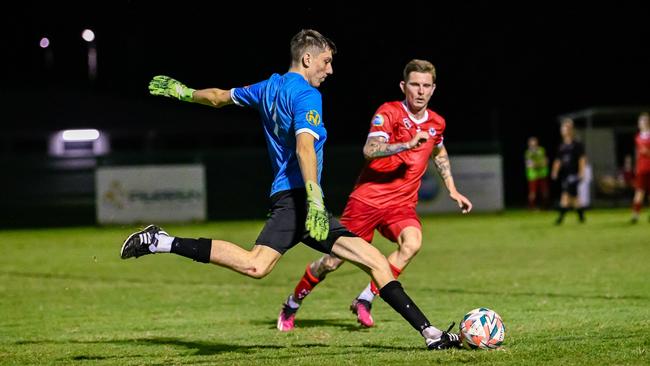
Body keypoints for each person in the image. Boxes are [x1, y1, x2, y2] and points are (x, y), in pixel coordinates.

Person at [119, 30, 461, 350]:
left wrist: (183, 93)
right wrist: (313, 197)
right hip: (298, 201)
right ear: (308, 59)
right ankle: (162, 241)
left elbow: (219, 98)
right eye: (326, 62)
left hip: (297, 200)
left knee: (371, 261)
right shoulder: (307, 94)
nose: (330, 69)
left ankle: (431, 334)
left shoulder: (268, 87)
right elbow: (304, 148)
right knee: (257, 265)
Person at [276, 59, 472, 331]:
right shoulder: (388, 112)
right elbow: (369, 149)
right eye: (414, 84)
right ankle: (292, 303)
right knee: (331, 262)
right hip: (366, 202)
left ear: (433, 89)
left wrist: (451, 188)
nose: (420, 91)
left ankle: (365, 298)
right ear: (404, 86)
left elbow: (439, 151)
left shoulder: (437, 123)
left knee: (412, 243)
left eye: (426, 86)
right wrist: (404, 144)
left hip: (400, 206)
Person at [550, 118, 587, 224]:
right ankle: (581, 217)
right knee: (574, 197)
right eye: (562, 128)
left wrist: (581, 172)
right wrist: (555, 171)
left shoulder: (577, 144)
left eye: (564, 128)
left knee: (566, 194)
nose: (562, 130)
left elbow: (582, 159)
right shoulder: (561, 145)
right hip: (565, 174)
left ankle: (560, 219)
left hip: (574, 174)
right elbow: (558, 160)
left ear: (570, 130)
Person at [630, 112, 650, 223]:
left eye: (642, 121)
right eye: (640, 121)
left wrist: (648, 153)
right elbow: (638, 154)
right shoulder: (638, 137)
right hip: (642, 168)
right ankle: (635, 215)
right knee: (640, 191)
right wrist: (636, 166)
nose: (640, 123)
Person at [524, 136, 550, 210]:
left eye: (535, 142)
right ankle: (531, 207)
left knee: (545, 191)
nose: (533, 144)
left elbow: (546, 161)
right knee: (532, 192)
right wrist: (539, 164)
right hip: (532, 175)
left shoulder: (541, 150)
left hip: (542, 174)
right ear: (529, 144)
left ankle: (545, 207)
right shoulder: (528, 152)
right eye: (532, 143)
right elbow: (530, 165)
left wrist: (538, 164)